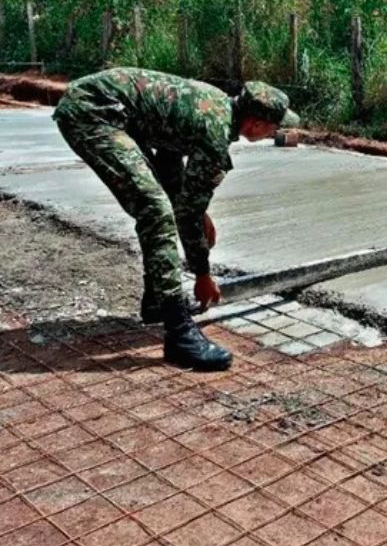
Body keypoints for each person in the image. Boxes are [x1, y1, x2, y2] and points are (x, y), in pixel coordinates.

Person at [53, 68, 300, 371]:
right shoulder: (215, 134)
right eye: (273, 128)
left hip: (110, 110)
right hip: (94, 113)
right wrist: (202, 274)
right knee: (155, 209)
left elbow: (170, 157)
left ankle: (157, 300)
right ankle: (179, 332)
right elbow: (186, 215)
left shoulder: (217, 106)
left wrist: (194, 207)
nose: (272, 134)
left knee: (159, 205)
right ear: (255, 124)